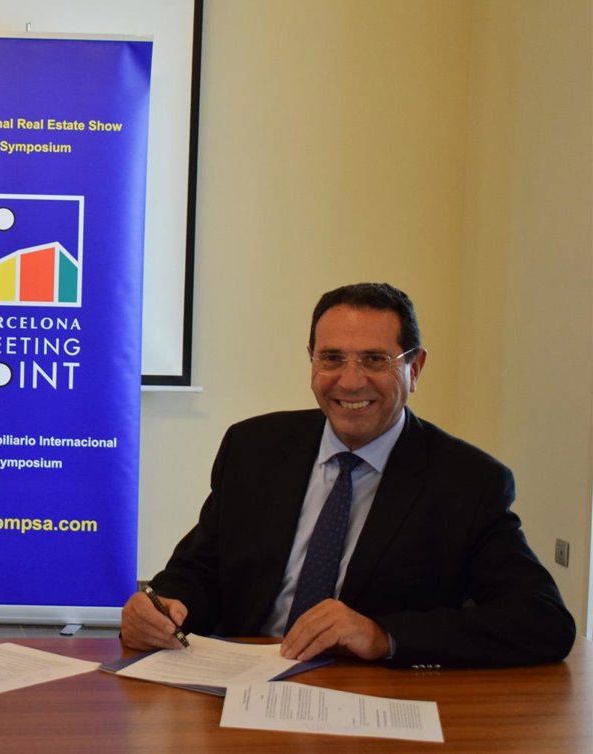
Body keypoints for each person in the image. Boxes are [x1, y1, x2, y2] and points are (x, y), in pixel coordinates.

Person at [122, 283, 575, 668]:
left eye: (375, 360)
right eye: (332, 358)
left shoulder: (468, 483)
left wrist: (384, 635)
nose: (351, 381)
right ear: (312, 361)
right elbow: (201, 568)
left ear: (414, 368)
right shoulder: (253, 448)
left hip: (373, 698)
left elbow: (543, 620)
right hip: (241, 682)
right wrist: (162, 608)